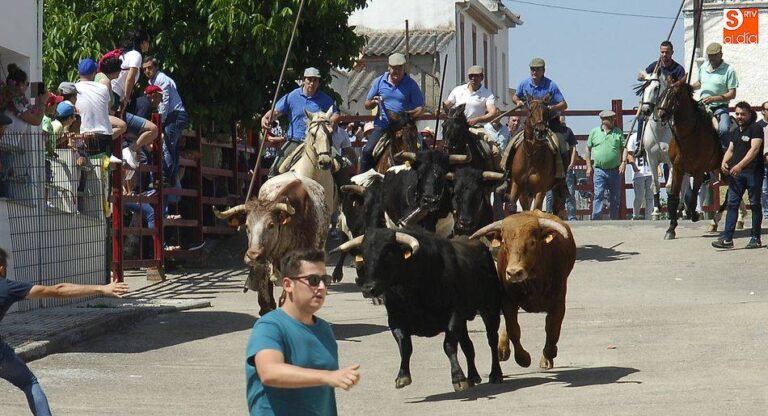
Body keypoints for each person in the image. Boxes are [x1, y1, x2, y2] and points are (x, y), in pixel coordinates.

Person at [0, 247, 129, 416]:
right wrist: (102, 289)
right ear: (1, 268)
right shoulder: (8, 287)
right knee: (29, 382)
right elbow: (59, 290)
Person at [246, 248, 360, 415]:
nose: (321, 287)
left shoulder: (324, 330)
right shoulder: (269, 326)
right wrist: (327, 376)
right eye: (313, 280)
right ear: (288, 284)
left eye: (325, 280)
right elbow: (269, 372)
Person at [261, 67, 338, 177]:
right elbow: (276, 112)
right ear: (303, 80)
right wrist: (265, 118)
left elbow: (335, 113)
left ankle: (344, 192)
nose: (312, 83)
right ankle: (270, 192)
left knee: (341, 165)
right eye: (309, 79)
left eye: (315, 80)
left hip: (318, 142)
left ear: (319, 83)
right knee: (275, 168)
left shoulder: (325, 99)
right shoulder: (292, 96)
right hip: (295, 140)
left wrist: (328, 122)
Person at [712, 102, 764, 249]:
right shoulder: (735, 132)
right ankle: (727, 239)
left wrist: (740, 165)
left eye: (743, 114)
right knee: (732, 204)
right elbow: (730, 149)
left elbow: (754, 150)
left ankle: (755, 238)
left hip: (753, 173)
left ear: (750, 114)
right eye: (737, 114)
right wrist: (723, 162)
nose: (739, 117)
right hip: (737, 175)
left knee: (754, 205)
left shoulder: (756, 129)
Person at [361, 53, 425, 172]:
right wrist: (374, 102)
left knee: (425, 151)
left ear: (404, 67)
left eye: (399, 67)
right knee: (367, 151)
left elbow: (420, 108)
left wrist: (407, 116)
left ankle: (425, 184)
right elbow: (367, 104)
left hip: (405, 126)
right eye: (394, 68)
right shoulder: (379, 82)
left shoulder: (411, 84)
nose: (397, 71)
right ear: (388, 67)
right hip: (383, 125)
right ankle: (361, 183)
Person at [508, 58, 570, 178]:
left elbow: (564, 104)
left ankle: (561, 179)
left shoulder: (551, 85)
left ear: (543, 71)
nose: (534, 72)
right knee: (512, 142)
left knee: (562, 144)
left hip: (550, 122)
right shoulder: (524, 84)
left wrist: (550, 108)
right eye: (532, 69)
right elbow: (515, 96)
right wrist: (518, 101)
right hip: (530, 123)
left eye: (537, 69)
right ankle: (507, 175)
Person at [112, 30, 159, 169]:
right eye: (148, 42)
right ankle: (129, 149)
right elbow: (130, 78)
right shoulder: (137, 55)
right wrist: (126, 98)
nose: (149, 45)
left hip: (111, 94)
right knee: (152, 129)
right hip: (116, 96)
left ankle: (125, 149)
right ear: (143, 42)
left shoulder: (123, 54)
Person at [143, 56, 188, 184]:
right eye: (144, 69)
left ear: (156, 67)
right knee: (172, 149)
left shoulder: (161, 80)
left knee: (167, 147)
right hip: (176, 114)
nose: (147, 71)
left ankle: (164, 179)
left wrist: (159, 122)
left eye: (149, 68)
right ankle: (171, 178)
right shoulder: (155, 81)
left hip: (174, 114)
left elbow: (164, 102)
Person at [443, 65, 499, 162]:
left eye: (476, 76)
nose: (473, 78)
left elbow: (492, 112)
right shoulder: (458, 90)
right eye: (471, 76)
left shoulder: (487, 94)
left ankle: (496, 171)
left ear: (482, 77)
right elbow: (447, 104)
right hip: (457, 128)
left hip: (476, 128)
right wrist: (441, 106)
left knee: (494, 151)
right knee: (444, 147)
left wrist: (477, 119)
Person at [691, 42, 738, 149]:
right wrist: (689, 87)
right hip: (702, 105)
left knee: (724, 129)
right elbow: (699, 82)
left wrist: (714, 98)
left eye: (714, 55)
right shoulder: (703, 67)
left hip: (720, 107)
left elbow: (732, 94)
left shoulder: (729, 70)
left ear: (721, 54)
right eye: (709, 55)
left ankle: (725, 153)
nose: (711, 58)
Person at [76, 58, 126, 156]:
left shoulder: (75, 88)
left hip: (85, 135)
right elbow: (108, 107)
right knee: (103, 168)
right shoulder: (103, 88)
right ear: (94, 73)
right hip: (104, 135)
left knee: (85, 168)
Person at [585, 110, 626, 220]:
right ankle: (596, 219)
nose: (613, 120)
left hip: (615, 170)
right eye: (611, 119)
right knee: (598, 195)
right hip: (599, 170)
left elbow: (624, 148)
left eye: (613, 118)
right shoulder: (594, 132)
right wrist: (588, 166)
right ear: (604, 120)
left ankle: (614, 220)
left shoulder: (618, 132)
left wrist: (623, 163)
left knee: (615, 197)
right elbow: (588, 149)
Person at [545, 115, 579, 220]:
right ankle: (549, 215)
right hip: (551, 168)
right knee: (549, 193)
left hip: (566, 167)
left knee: (570, 192)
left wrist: (572, 163)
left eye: (562, 122)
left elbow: (573, 147)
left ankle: (572, 217)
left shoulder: (568, 131)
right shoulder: (549, 132)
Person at [624, 132, 653, 220]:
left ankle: (648, 218)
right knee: (639, 196)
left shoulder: (651, 135)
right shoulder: (634, 137)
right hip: (639, 172)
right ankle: (635, 215)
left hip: (650, 171)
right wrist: (634, 166)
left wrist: (658, 168)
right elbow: (629, 153)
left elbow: (655, 154)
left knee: (650, 197)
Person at [757, 101, 768, 220]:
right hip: (762, 162)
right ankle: (766, 214)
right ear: (763, 111)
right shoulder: (758, 126)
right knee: (764, 189)